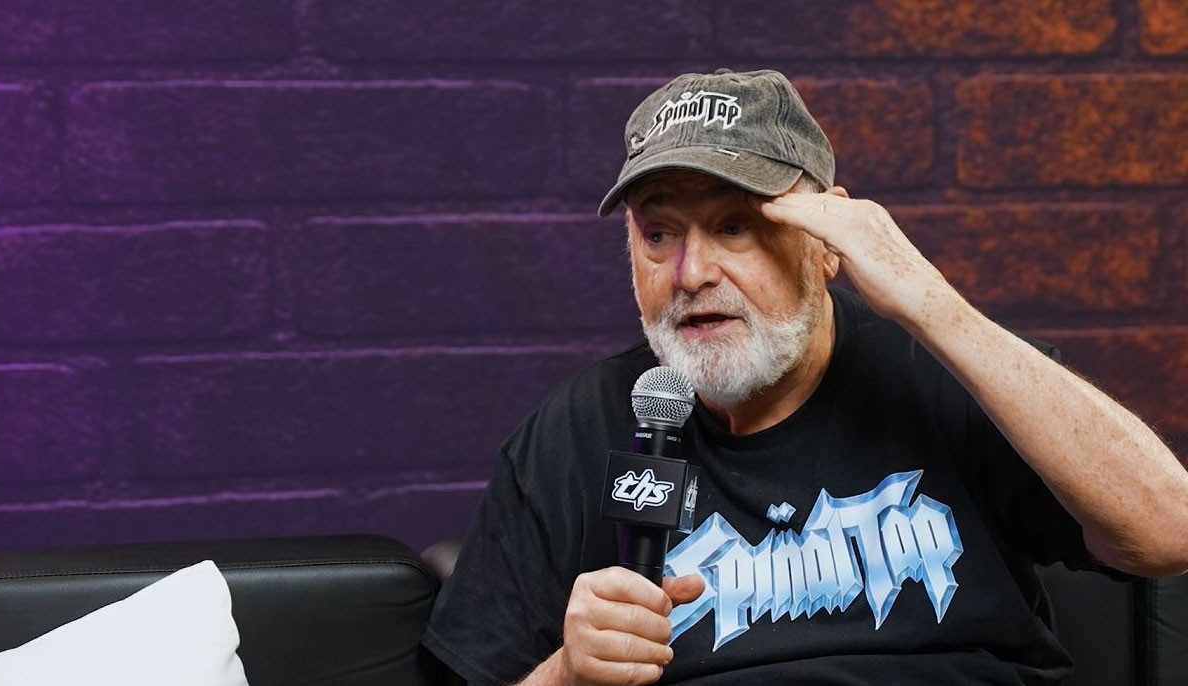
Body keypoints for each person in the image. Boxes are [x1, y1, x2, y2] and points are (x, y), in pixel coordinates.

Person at [420, 69, 1188, 685]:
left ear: (826, 241)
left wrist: (931, 305)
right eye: (659, 233)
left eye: (736, 225)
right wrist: (566, 673)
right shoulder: (580, 430)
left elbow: (1168, 534)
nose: (691, 272)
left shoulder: (946, 376)